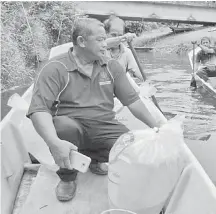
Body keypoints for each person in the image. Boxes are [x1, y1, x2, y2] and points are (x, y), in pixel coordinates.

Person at [26, 18, 164, 202]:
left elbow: (133, 102)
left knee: (131, 148)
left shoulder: (112, 66)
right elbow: (39, 110)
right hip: (72, 126)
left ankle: (96, 160)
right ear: (82, 42)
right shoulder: (55, 68)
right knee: (62, 128)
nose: (105, 44)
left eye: (105, 39)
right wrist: (53, 142)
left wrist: (159, 127)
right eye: (99, 40)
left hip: (104, 125)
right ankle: (68, 176)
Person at [103, 15, 143, 81]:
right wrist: (120, 38)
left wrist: (147, 82)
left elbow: (135, 70)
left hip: (119, 87)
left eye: (120, 35)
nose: (117, 38)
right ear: (106, 33)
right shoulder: (100, 50)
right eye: (113, 35)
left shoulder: (127, 52)